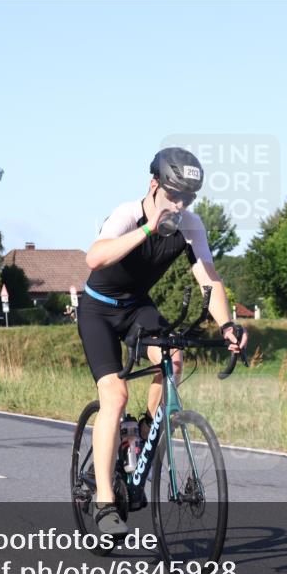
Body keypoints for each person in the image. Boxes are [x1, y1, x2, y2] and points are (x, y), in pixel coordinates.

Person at [78, 147, 248, 536]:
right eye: (174, 195)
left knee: (171, 361)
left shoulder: (191, 225)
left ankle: (143, 437)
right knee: (115, 396)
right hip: (99, 310)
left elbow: (209, 278)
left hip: (138, 307)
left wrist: (227, 325)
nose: (181, 204)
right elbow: (95, 258)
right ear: (154, 185)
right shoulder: (128, 215)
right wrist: (149, 229)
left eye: (188, 198)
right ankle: (105, 503)